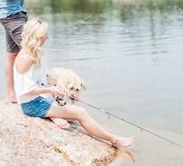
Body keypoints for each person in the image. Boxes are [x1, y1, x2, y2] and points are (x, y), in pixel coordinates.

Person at [14, 18, 134, 148]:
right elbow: (25, 91)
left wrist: (58, 85)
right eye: (45, 35)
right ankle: (114, 139)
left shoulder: (37, 52)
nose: (47, 38)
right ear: (36, 36)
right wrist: (50, 90)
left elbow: (43, 78)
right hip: (31, 104)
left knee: (72, 115)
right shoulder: (25, 58)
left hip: (41, 99)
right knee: (81, 113)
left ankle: (53, 115)